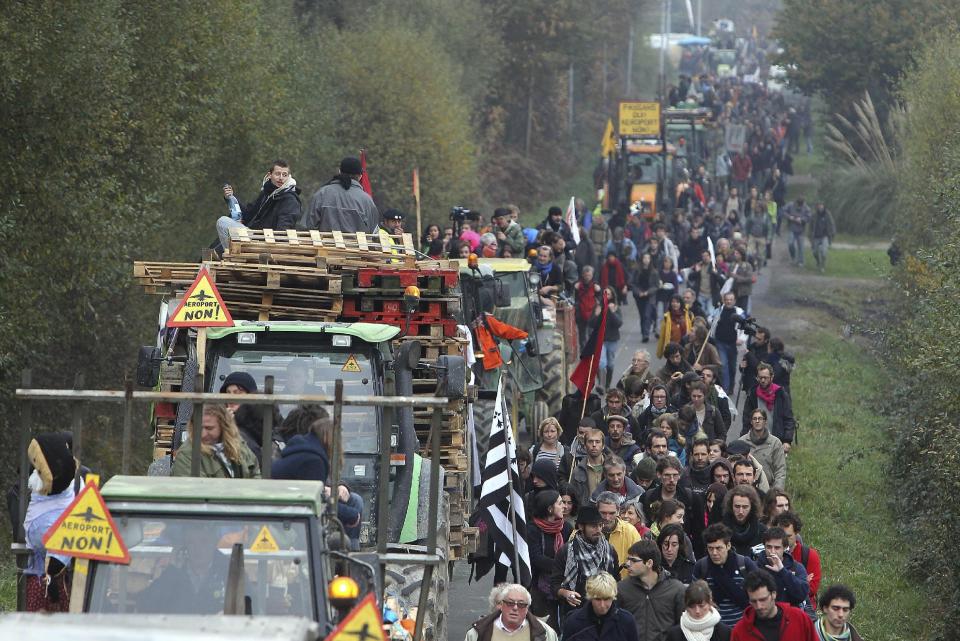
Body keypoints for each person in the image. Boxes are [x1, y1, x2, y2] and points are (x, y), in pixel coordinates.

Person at [23, 433, 78, 612]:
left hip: (50, 584)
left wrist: (56, 566)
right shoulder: (68, 489)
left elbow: (63, 543)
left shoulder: (49, 520)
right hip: (47, 577)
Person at [216, 160, 301, 252]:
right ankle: (233, 254)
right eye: (277, 174)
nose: (281, 178)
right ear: (270, 175)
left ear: (288, 177)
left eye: (284, 175)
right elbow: (248, 214)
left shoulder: (289, 199)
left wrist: (272, 249)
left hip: (265, 241)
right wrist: (231, 198)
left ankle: (232, 255)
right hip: (254, 235)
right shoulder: (267, 193)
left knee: (222, 222)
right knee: (226, 222)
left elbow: (284, 230)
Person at [552, 506, 620, 619]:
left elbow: (616, 580)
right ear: (581, 526)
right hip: (576, 613)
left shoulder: (609, 550)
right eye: (593, 526)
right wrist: (566, 594)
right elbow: (555, 584)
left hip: (605, 612)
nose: (598, 530)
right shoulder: (567, 551)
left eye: (600, 525)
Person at [617, 539, 686, 641]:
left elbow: (682, 627)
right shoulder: (621, 589)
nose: (628, 563)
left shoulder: (676, 589)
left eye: (633, 560)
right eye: (628, 559)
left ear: (649, 563)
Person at [693, 524, 759, 626]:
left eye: (719, 548)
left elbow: (758, 595)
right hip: (712, 629)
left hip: (742, 627)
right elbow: (694, 599)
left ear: (728, 546)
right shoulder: (701, 567)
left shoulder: (744, 564)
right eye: (710, 548)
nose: (714, 553)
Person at [172, 405, 260, 479]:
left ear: (223, 426)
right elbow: (194, 493)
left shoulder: (237, 443)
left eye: (209, 428)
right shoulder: (188, 453)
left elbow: (255, 472)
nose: (203, 434)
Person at [299, 157, 378, 234]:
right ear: (360, 176)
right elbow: (374, 234)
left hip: (324, 247)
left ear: (339, 171)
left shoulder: (322, 194)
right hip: (356, 247)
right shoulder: (367, 201)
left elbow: (306, 228)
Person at [731, 570, 816, 641]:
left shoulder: (799, 618)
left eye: (763, 599)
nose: (759, 606)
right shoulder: (740, 631)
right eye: (753, 601)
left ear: (774, 594)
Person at [527, 490, 572, 619]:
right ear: (550, 509)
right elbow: (536, 558)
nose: (564, 506)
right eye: (560, 503)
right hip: (538, 587)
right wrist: (560, 566)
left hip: (563, 584)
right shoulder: (532, 529)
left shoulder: (566, 527)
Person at [464, 583, 559, 641]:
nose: (515, 608)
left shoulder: (546, 633)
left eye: (521, 604)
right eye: (510, 603)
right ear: (501, 605)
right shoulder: (477, 633)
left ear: (527, 608)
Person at [562, 572, 639, 641]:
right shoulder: (573, 621)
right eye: (598, 599)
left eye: (606, 599)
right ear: (590, 597)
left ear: (613, 597)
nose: (602, 605)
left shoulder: (626, 621)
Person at [754, 527, 811, 613]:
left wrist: (782, 571)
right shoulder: (755, 566)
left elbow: (802, 595)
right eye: (768, 547)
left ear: (785, 548)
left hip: (789, 618)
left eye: (777, 548)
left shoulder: (796, 568)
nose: (772, 552)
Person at [741, 363, 796, 451]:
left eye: (765, 377)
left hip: (777, 441)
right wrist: (743, 439)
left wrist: (787, 440)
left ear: (772, 377)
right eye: (760, 377)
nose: (763, 380)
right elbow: (747, 419)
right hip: (756, 441)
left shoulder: (780, 394)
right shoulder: (753, 394)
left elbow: (788, 418)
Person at [773, 512, 822, 610]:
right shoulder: (767, 553)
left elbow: (810, 589)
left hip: (803, 609)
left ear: (796, 533)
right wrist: (799, 580)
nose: (783, 540)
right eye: (780, 536)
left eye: (788, 536)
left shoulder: (810, 555)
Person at [595, 491, 642, 578]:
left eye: (611, 513)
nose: (607, 518)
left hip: (622, 587)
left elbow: (640, 563)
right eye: (603, 513)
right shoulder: (583, 530)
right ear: (596, 510)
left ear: (618, 511)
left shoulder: (630, 532)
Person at [666, 580, 732, 641]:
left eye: (701, 606)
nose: (697, 611)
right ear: (686, 607)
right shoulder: (674, 635)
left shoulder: (724, 632)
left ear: (709, 603)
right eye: (692, 607)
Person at [738, 409, 787, 490]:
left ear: (765, 422)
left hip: (768, 488)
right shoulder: (741, 442)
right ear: (751, 422)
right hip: (746, 488)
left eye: (760, 418)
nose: (757, 421)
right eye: (754, 419)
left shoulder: (775, 443)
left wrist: (777, 492)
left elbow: (780, 470)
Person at [713, 292, 747, 393]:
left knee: (732, 367)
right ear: (724, 300)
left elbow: (746, 326)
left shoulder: (739, 312)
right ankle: (725, 389)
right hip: (720, 342)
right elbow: (710, 320)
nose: (728, 301)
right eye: (727, 299)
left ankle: (731, 386)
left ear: (734, 301)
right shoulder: (719, 310)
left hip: (733, 344)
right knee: (723, 365)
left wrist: (741, 338)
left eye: (731, 299)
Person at [722, 485, 766, 557]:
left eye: (745, 507)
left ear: (752, 507)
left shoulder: (762, 531)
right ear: (731, 506)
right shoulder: (720, 531)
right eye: (737, 506)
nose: (741, 511)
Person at [632, 253, 661, 342]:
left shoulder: (654, 272)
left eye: (648, 258)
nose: (646, 259)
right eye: (644, 257)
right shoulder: (637, 270)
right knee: (642, 315)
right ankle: (643, 332)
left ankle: (646, 334)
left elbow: (656, 286)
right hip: (639, 296)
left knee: (647, 315)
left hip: (650, 296)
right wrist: (639, 292)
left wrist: (647, 292)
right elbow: (633, 283)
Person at [657, 295, 694, 360]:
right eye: (673, 302)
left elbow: (693, 330)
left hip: (685, 347)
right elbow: (662, 335)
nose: (675, 304)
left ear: (681, 303)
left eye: (677, 302)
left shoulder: (688, 315)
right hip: (672, 348)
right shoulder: (667, 317)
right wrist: (660, 352)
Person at [575, 266, 602, 351]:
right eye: (586, 275)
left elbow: (600, 299)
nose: (587, 277)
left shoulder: (596, 286)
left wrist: (599, 291)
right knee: (582, 335)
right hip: (581, 313)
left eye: (589, 275)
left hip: (592, 313)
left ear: (592, 275)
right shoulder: (577, 285)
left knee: (591, 333)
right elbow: (573, 298)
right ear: (583, 275)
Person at [783, 198, 811, 267]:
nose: (798, 207)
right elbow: (783, 212)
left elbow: (809, 218)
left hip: (801, 230)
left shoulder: (807, 208)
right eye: (798, 205)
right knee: (790, 244)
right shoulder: (790, 205)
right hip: (791, 229)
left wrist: (802, 220)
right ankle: (793, 257)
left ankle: (801, 261)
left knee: (801, 247)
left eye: (800, 205)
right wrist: (789, 217)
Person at [809, 203, 836, 273]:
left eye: (821, 206)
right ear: (817, 207)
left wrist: (833, 233)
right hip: (816, 237)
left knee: (824, 252)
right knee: (815, 252)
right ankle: (818, 261)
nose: (820, 207)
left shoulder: (827, 214)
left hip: (825, 236)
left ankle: (822, 266)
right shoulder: (814, 215)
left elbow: (832, 224)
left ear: (824, 206)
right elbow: (810, 226)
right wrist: (810, 236)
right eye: (819, 206)